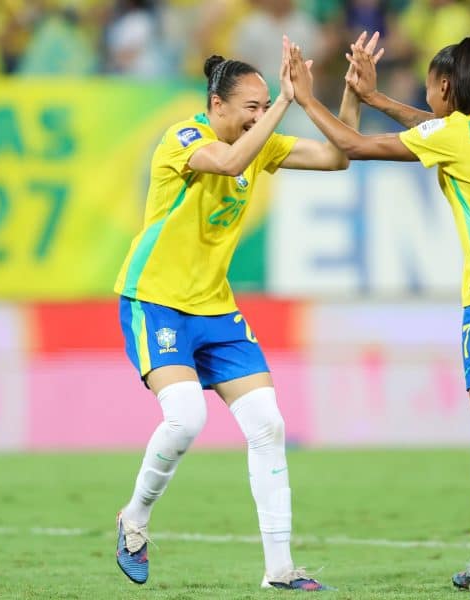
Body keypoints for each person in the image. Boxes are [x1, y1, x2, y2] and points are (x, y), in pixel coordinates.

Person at [287, 35, 470, 597]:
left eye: (429, 88)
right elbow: (440, 128)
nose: (426, 98)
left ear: (446, 85)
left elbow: (353, 145)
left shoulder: (454, 136)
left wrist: (306, 98)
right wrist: (376, 98)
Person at [113, 33, 373, 592]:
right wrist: (286, 103)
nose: (260, 116)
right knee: (186, 418)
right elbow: (230, 161)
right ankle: (134, 519)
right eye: (251, 107)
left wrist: (347, 94)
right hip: (156, 301)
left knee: (268, 425)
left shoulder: (259, 144)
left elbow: (337, 157)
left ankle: (279, 570)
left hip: (215, 308)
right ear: (217, 105)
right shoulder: (185, 138)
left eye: (265, 105)